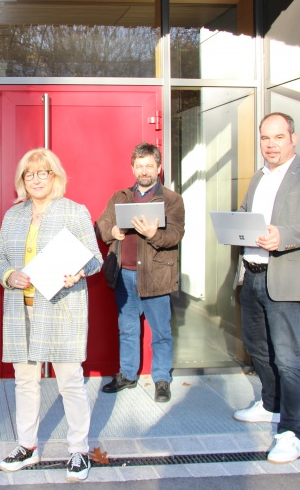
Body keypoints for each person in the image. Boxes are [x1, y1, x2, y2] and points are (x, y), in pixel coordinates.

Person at [0, 148, 102, 483]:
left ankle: (78, 450)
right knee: (25, 381)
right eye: (30, 174)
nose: (37, 179)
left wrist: (78, 271)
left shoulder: (74, 212)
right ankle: (27, 446)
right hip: (21, 310)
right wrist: (9, 274)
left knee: (70, 381)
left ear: (55, 176)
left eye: (44, 173)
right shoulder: (14, 216)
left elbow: (94, 257)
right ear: (22, 180)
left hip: (60, 308)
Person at [232, 112, 300, 464]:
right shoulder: (258, 177)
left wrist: (285, 236)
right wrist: (236, 223)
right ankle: (270, 404)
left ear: (294, 138)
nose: (271, 144)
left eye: (278, 137)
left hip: (287, 279)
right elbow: (247, 212)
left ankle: (292, 432)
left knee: (289, 358)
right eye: (265, 138)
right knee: (256, 347)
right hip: (252, 274)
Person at [95, 142, 185, 403]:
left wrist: (153, 234)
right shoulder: (120, 197)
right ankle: (127, 374)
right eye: (139, 166)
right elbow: (102, 223)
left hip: (157, 276)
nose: (144, 171)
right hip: (124, 275)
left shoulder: (172, 200)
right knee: (127, 329)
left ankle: (161, 380)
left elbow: (176, 235)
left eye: (149, 165)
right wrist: (111, 232)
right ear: (132, 167)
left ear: (158, 167)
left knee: (161, 332)